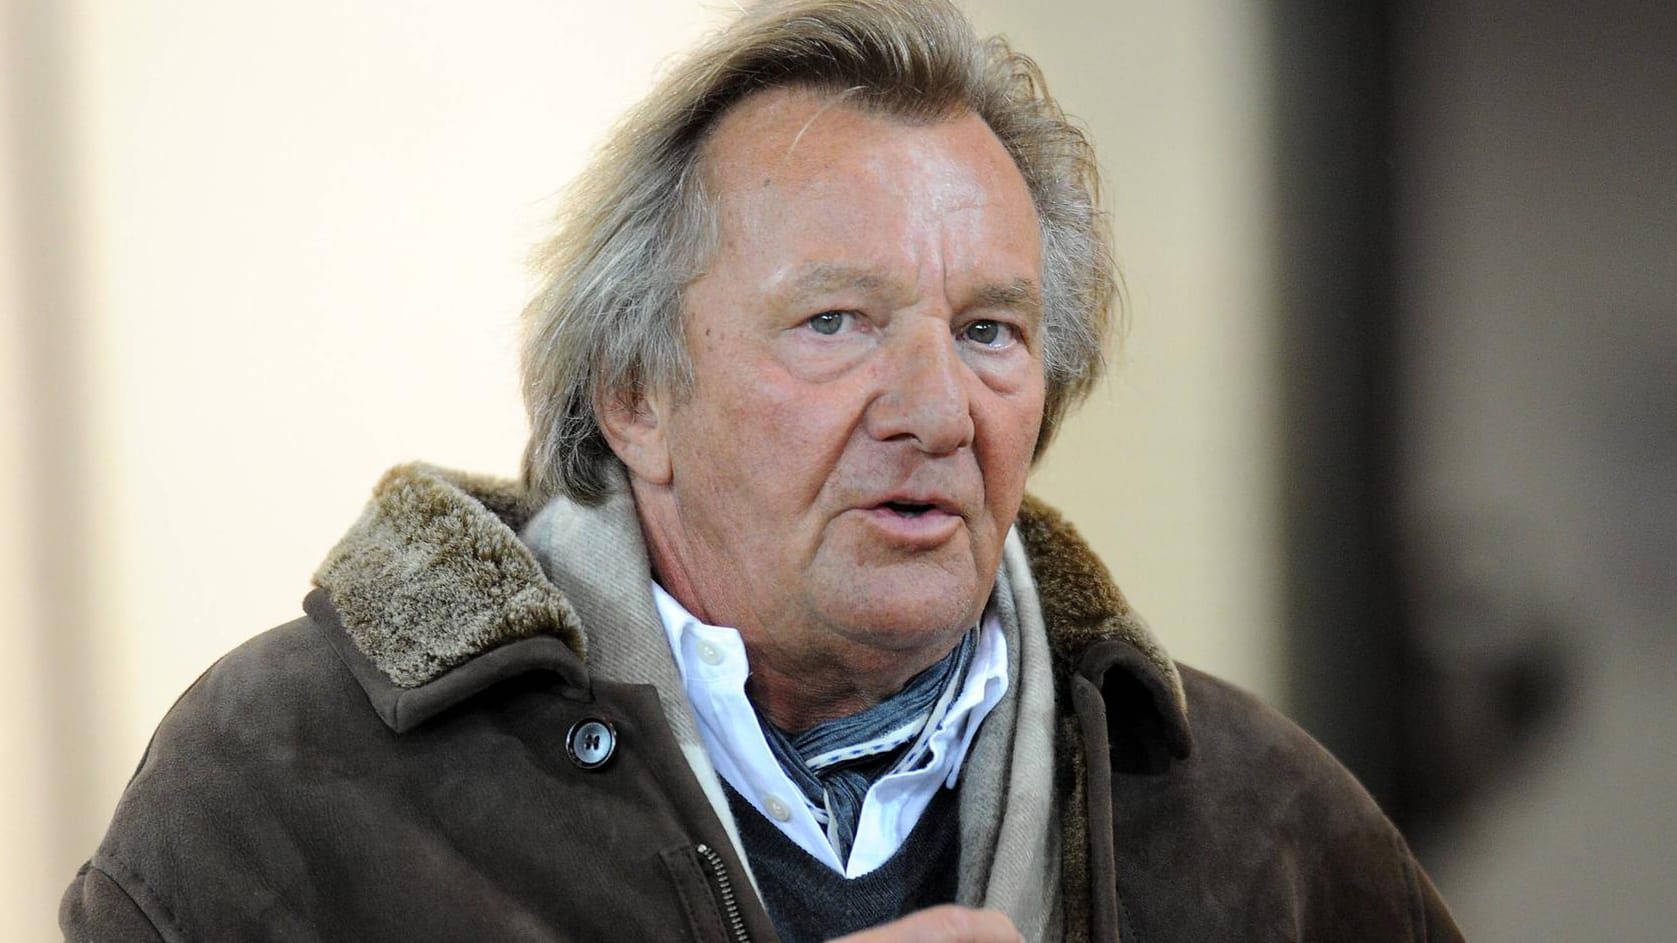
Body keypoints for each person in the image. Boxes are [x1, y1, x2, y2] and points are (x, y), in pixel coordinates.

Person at [60, 1, 1462, 941]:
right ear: (634, 394)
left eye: (988, 331)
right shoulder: (290, 782)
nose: (934, 410)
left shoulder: (1264, 829)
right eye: (835, 321)